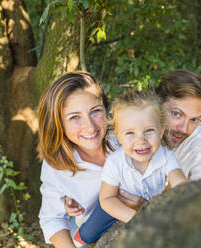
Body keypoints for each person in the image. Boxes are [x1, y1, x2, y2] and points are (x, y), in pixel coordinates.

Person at [37, 72, 144, 247]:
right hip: (92, 227)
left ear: (106, 109)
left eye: (95, 111)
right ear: (58, 123)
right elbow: (51, 218)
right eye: (75, 117)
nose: (90, 126)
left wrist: (146, 205)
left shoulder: (127, 136)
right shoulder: (55, 165)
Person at [72, 90, 187, 246]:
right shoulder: (115, 161)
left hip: (146, 203)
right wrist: (136, 218)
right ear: (118, 136)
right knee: (88, 234)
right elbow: (107, 199)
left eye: (149, 131)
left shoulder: (166, 157)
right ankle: (80, 234)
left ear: (161, 131)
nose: (141, 140)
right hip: (116, 203)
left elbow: (178, 178)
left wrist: (186, 191)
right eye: (130, 133)